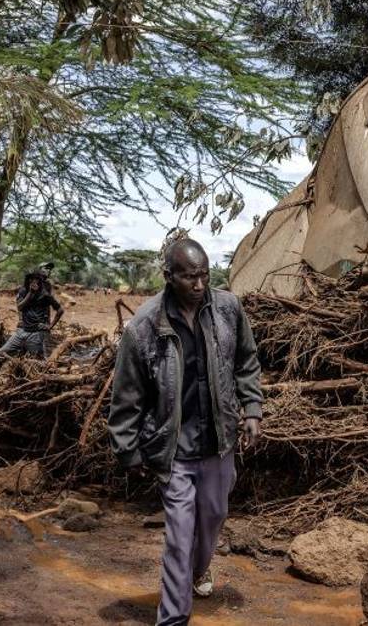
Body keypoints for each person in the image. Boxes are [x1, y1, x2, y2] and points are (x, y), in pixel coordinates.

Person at [107, 238, 263, 626]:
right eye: (190, 277)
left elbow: (246, 361)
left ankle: (197, 571)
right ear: (169, 276)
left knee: (214, 516)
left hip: (218, 441)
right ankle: (173, 617)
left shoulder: (228, 309)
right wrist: (127, 448)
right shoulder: (144, 327)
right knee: (179, 534)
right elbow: (127, 393)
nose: (199, 284)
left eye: (204, 275)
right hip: (173, 448)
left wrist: (252, 409)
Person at [0, 270, 65, 375]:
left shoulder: (45, 295)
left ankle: (43, 383)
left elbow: (60, 310)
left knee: (38, 363)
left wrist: (50, 326)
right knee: (0, 354)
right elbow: (20, 307)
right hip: (21, 331)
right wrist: (30, 293)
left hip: (36, 334)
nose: (33, 283)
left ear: (40, 282)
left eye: (36, 281)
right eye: (31, 280)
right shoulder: (23, 291)